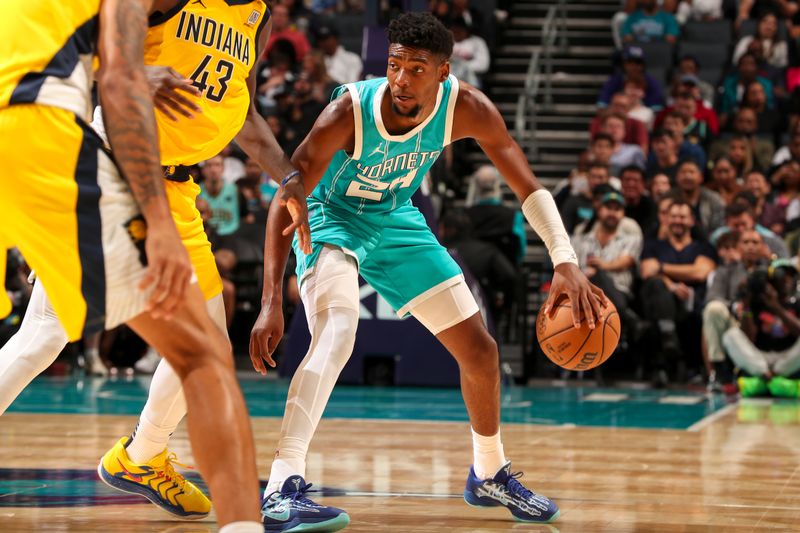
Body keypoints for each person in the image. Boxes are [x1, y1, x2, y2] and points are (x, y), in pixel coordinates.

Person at [250, 12, 606, 529]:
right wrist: (270, 303)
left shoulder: (469, 110)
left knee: (480, 350)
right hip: (328, 217)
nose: (400, 79)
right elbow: (289, 192)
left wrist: (565, 260)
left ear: (443, 72)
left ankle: (488, 473)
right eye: (395, 64)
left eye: (417, 68)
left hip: (394, 216)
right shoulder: (349, 112)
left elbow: (527, 185)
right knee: (339, 328)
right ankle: (283, 485)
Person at [0, 0, 306, 528]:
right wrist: (134, 72)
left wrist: (289, 175)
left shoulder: (256, 18)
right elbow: (98, 53)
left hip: (176, 188)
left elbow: (244, 114)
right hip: (116, 159)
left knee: (208, 335)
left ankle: (143, 456)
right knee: (46, 336)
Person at [640, 199, 717, 384]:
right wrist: (671, 285)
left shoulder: (704, 247)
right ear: (666, 220)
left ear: (692, 221)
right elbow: (646, 271)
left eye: (683, 217)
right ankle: (667, 338)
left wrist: (661, 267)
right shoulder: (653, 245)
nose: (677, 220)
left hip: (692, 306)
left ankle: (674, 348)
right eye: (673, 216)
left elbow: (699, 273)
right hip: (662, 305)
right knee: (657, 286)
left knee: (660, 288)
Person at [703, 229, 769, 389]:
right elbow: (713, 297)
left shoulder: (771, 271)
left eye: (755, 242)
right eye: (746, 242)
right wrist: (734, 306)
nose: (750, 247)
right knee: (713, 309)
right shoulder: (726, 270)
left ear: (763, 247)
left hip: (765, 325)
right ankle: (720, 371)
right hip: (735, 324)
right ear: (738, 247)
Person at [725, 260, 800, 398]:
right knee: (731, 335)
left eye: (790, 276)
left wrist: (776, 307)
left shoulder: (796, 302)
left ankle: (766, 380)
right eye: (782, 276)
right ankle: (768, 376)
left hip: (787, 359)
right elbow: (749, 337)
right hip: (761, 357)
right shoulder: (757, 300)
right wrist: (747, 305)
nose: (786, 280)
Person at [572, 191, 643, 313]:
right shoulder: (580, 239)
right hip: (582, 290)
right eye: (608, 208)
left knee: (597, 276)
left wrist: (601, 267)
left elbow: (626, 261)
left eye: (617, 209)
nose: (612, 213)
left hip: (617, 292)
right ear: (599, 211)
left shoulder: (631, 239)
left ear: (623, 214)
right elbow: (571, 266)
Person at [597, 45, 665, 111]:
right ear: (623, 64)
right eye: (630, 62)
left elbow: (656, 111)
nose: (634, 66)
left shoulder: (652, 83)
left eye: (638, 62)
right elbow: (602, 106)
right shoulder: (613, 81)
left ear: (643, 65)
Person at [675, 159, 725, 237]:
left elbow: (718, 230)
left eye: (691, 172)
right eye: (683, 172)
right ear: (677, 177)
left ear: (701, 177)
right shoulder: (669, 199)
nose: (687, 176)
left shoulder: (714, 199)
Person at [621, 165, 658, 235]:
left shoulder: (651, 207)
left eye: (636, 180)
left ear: (643, 184)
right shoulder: (614, 204)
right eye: (627, 180)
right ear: (621, 182)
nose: (631, 184)